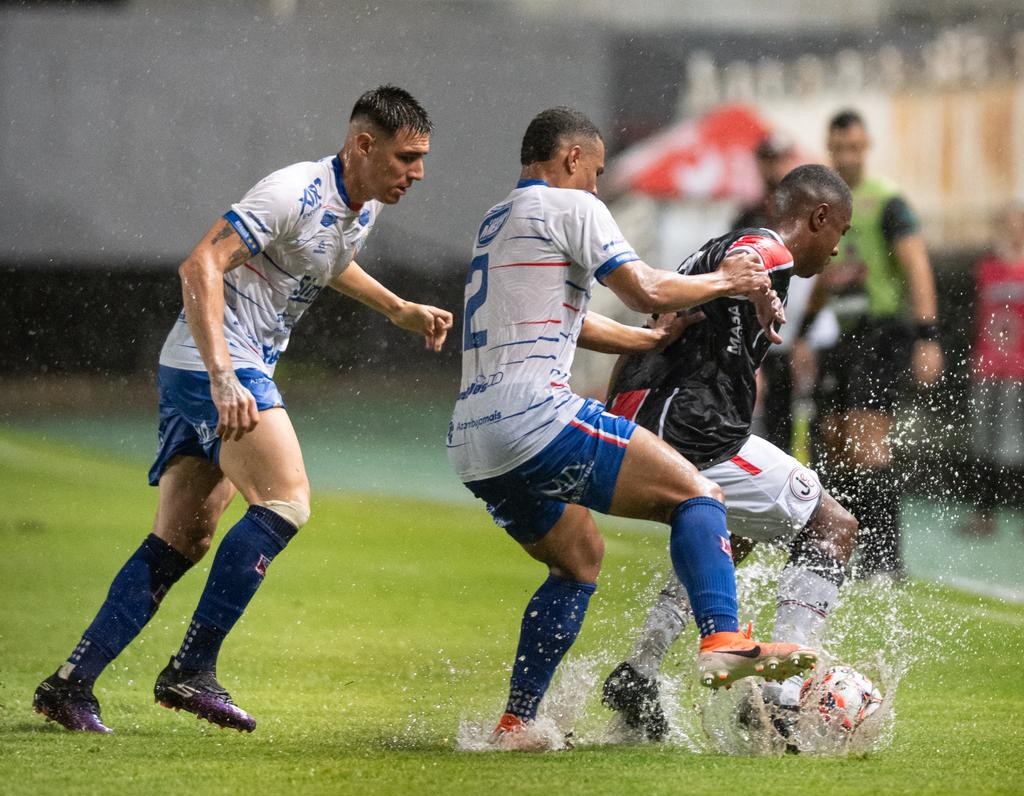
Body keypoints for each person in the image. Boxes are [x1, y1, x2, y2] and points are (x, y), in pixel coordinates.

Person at [33, 85, 454, 734]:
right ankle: (190, 669)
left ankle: (70, 684)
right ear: (363, 144)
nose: (417, 173)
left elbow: (329, 262)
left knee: (183, 539)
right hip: (216, 366)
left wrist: (399, 310)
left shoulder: (360, 207)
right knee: (286, 501)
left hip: (202, 368)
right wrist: (226, 377)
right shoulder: (292, 191)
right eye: (406, 157)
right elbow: (199, 264)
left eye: (421, 158)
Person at [446, 106, 817, 751]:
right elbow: (645, 285)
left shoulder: (497, 219)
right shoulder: (574, 208)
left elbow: (571, 324)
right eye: (592, 173)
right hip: (537, 417)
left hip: (474, 439)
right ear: (569, 160)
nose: (596, 188)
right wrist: (723, 281)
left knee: (579, 560)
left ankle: (515, 724)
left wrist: (646, 339)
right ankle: (724, 640)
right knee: (698, 494)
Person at [599, 165, 855, 743]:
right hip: (694, 428)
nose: (837, 247)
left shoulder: (708, 252)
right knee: (834, 525)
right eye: (838, 231)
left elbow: (657, 323)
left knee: (728, 532)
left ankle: (640, 669)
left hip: (643, 417)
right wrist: (763, 288)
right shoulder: (768, 250)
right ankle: (778, 696)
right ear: (817, 218)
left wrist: (618, 408)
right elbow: (755, 254)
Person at [797, 109, 943, 580]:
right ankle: (846, 546)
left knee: (867, 438)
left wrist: (928, 338)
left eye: (854, 147)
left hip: (883, 333)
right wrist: (801, 332)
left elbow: (917, 266)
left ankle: (886, 559)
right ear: (829, 148)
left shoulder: (886, 202)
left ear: (866, 146)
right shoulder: (828, 204)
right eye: (838, 148)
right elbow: (823, 275)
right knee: (835, 439)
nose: (847, 155)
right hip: (843, 336)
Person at [957, 201, 1024, 538]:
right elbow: (974, 316)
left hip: (1020, 367)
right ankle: (984, 512)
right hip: (989, 364)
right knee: (984, 443)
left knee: (1015, 442)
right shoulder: (986, 268)